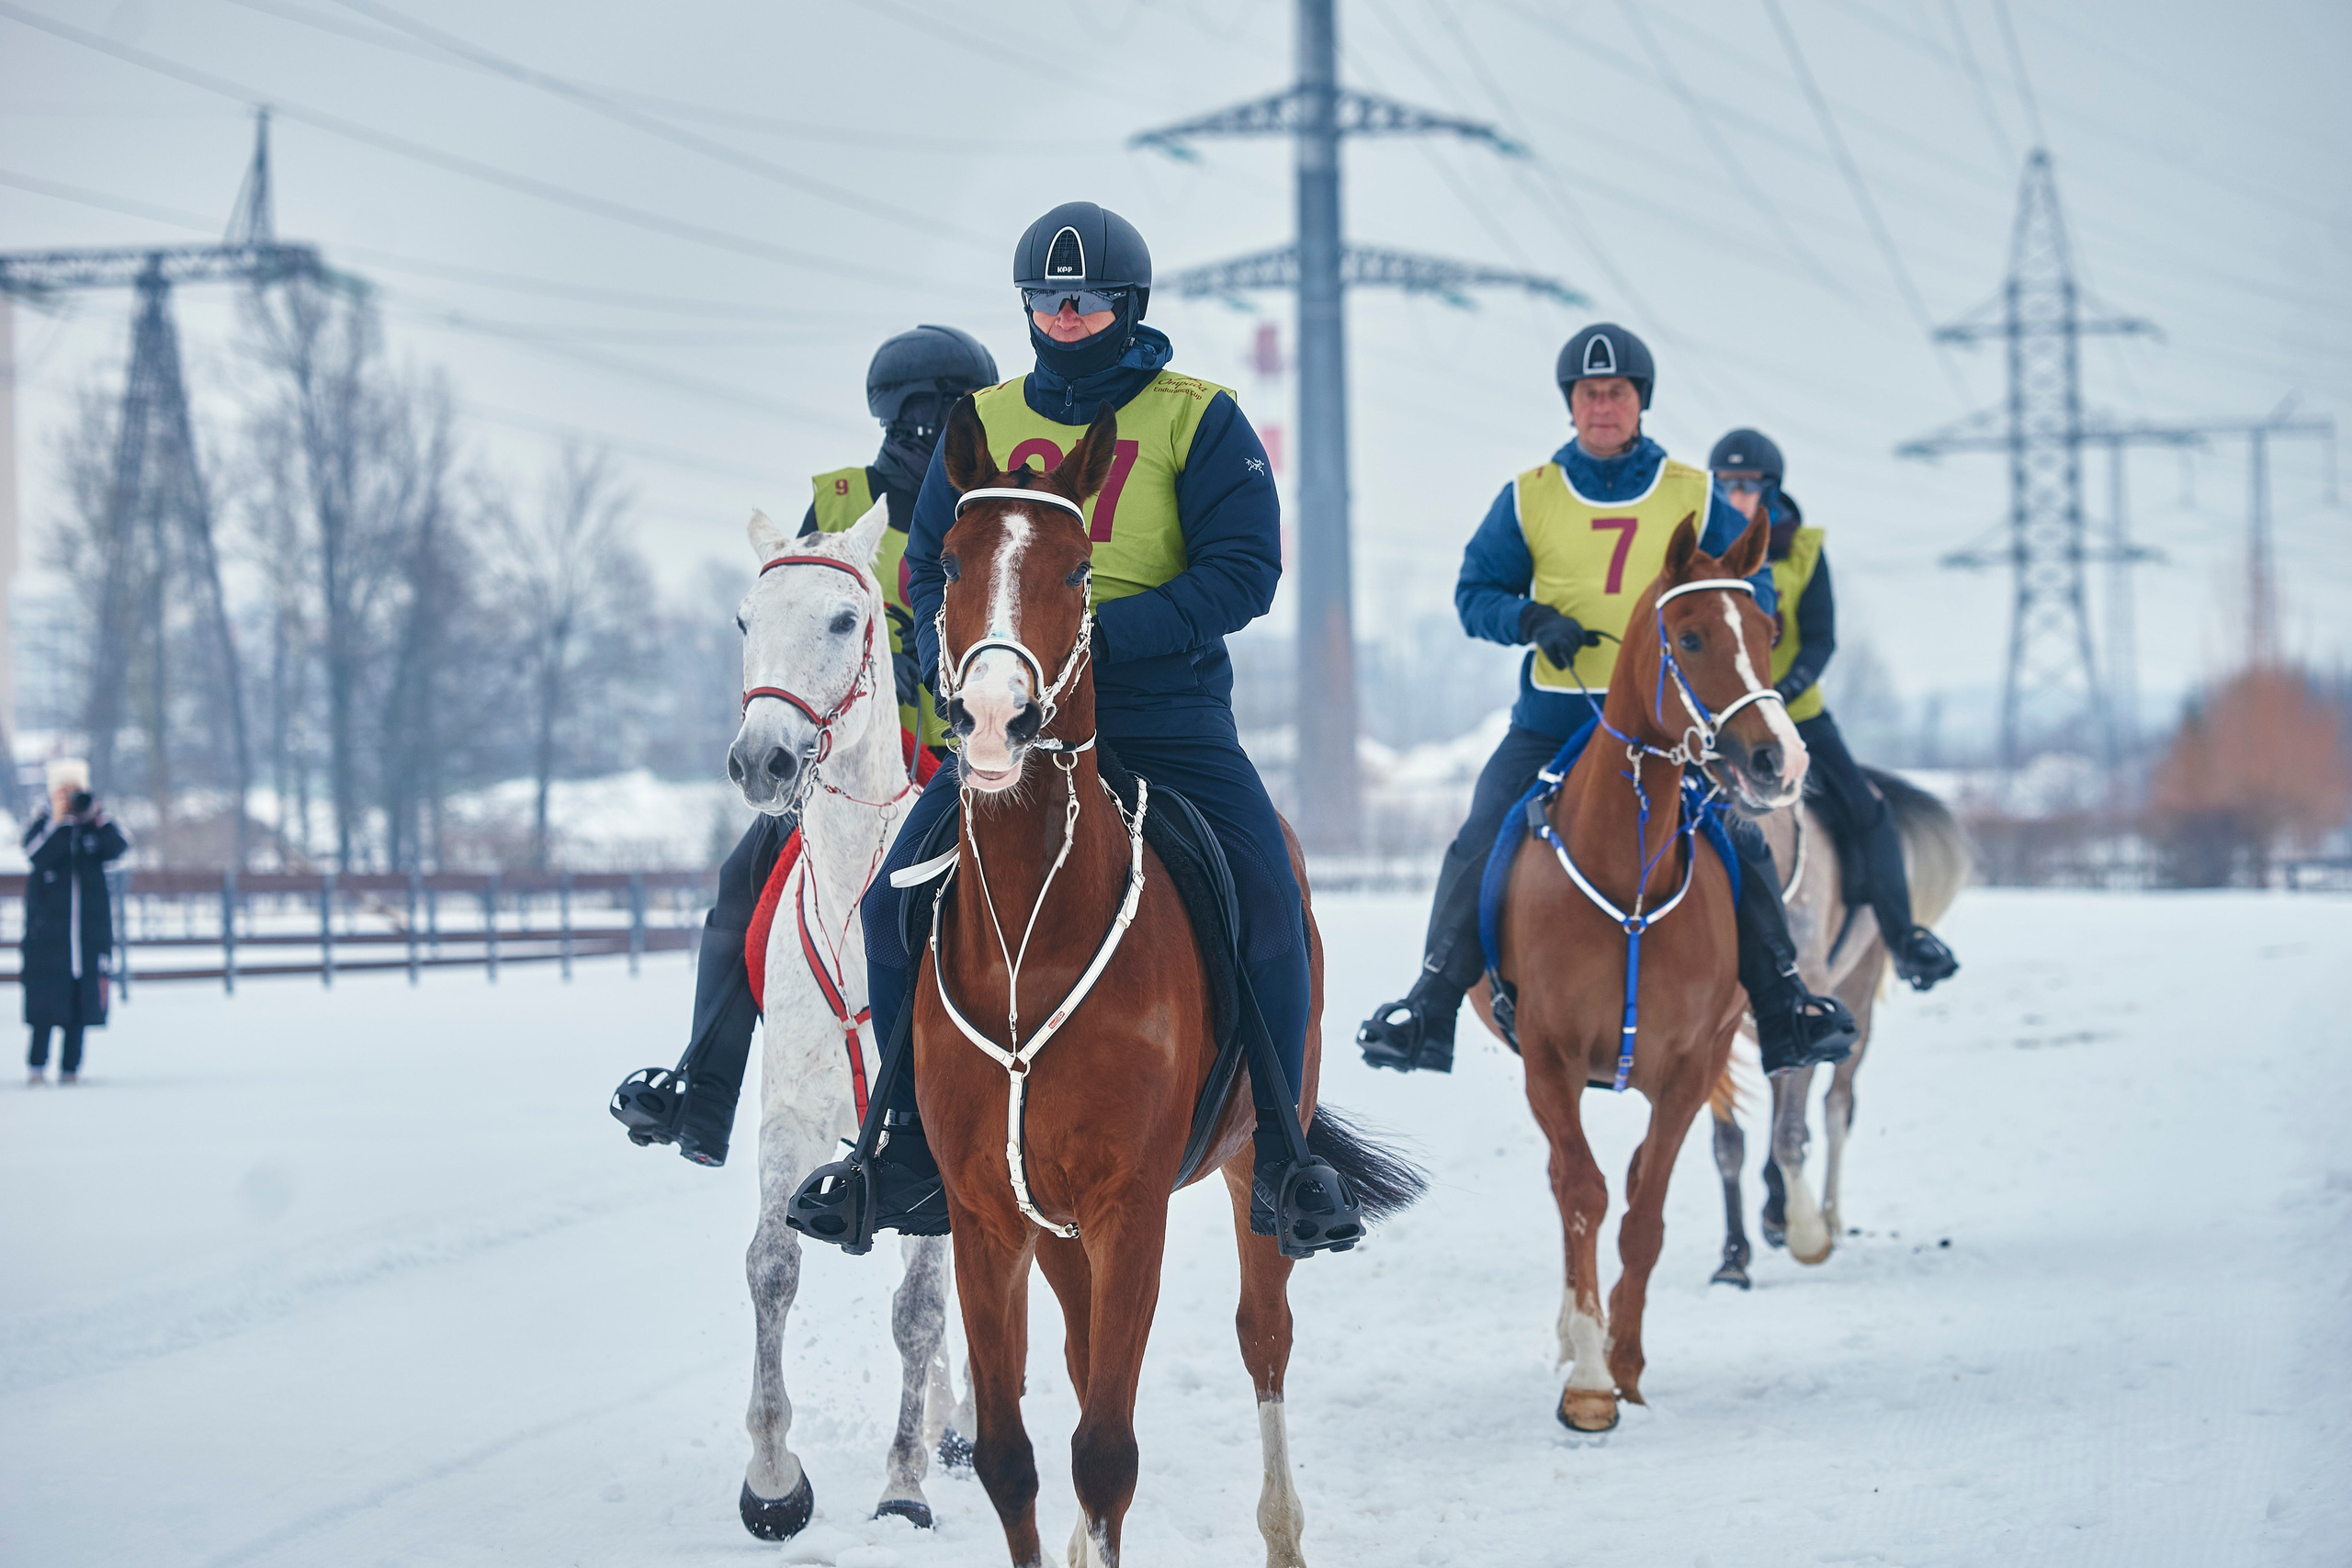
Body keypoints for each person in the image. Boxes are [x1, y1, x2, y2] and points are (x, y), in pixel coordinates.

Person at [788, 198, 1358, 1254]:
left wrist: (1096, 643)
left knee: (1271, 907)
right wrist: (948, 669)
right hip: (1010, 724)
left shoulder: (1200, 416)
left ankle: (1284, 1153)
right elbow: (924, 570)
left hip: (1166, 713)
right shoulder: (989, 421)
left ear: (1126, 307)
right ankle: (903, 1147)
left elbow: (1245, 571)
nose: (1064, 317)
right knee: (889, 905)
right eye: (1046, 301)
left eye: (1086, 301)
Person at [1354, 323, 1860, 1078]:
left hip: (1675, 728)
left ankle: (1785, 1008)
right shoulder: (1529, 497)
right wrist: (1529, 619)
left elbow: (1743, 586)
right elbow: (1473, 595)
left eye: (1616, 393)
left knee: (1742, 840)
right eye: (1588, 394)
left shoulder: (1693, 490)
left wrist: (1727, 654)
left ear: (1639, 403)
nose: (1602, 406)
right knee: (1481, 832)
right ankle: (1428, 1008)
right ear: (1571, 405)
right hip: (1556, 713)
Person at [608, 325, 998, 1166]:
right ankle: (702, 1096)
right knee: (744, 883)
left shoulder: (988, 508)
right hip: (847, 760)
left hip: (957, 760)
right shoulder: (840, 502)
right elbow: (787, 621)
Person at [1707, 427, 1958, 989]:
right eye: (1723, 486)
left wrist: (1783, 690)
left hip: (1799, 715)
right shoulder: (1703, 554)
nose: (1734, 497)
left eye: (1746, 486)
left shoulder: (1804, 551)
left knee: (1867, 809)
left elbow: (1820, 638)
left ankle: (1904, 938)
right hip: (1723, 726)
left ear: (1769, 491)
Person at [22, 759, 129, 1086]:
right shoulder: (44, 824)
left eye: (75, 790)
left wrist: (96, 817)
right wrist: (59, 821)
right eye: (63, 790)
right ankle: (37, 1066)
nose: (70, 797)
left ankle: (71, 1069)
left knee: (79, 1004)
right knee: (45, 1003)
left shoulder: (93, 825)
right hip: (47, 941)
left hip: (87, 938)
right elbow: (36, 854)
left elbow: (118, 848)